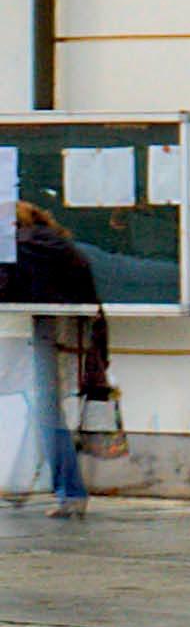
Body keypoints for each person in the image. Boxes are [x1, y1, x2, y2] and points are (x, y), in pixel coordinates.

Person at [5, 197, 105, 518]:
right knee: (44, 409)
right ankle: (48, 487)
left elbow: (7, 289)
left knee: (41, 410)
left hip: (24, 335)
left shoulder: (19, 248)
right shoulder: (59, 246)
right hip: (58, 335)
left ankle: (56, 488)